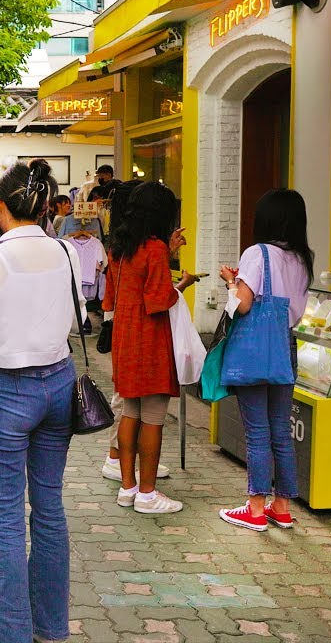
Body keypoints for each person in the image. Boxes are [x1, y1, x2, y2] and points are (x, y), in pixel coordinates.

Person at [0, 160, 79, 643]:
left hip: (10, 388)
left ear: (1, 206)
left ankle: (6, 632)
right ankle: (50, 626)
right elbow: (78, 318)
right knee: (48, 505)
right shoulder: (67, 251)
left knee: (8, 514)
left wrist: (4, 351)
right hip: (60, 381)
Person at [217, 189, 312, 531]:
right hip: (285, 345)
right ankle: (281, 507)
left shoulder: (258, 253)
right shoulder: (303, 258)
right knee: (279, 432)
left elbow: (242, 305)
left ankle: (255, 508)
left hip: (256, 347)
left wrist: (231, 281)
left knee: (257, 431)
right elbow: (296, 311)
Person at [105, 182, 196, 515]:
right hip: (150, 339)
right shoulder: (154, 248)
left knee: (130, 412)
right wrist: (180, 287)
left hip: (125, 338)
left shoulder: (118, 247)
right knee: (154, 418)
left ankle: (127, 487)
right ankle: (147, 492)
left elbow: (111, 296)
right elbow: (158, 300)